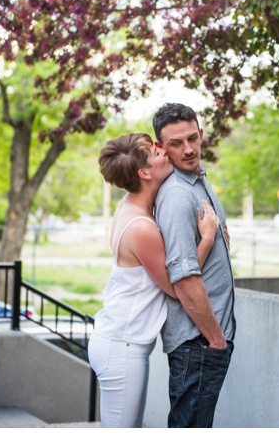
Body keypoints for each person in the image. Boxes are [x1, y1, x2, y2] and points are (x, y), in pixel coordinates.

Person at [88, 133, 219, 427]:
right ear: (144, 172)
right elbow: (177, 288)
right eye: (156, 152)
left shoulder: (131, 205)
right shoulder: (141, 227)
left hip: (118, 341)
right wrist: (207, 239)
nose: (163, 151)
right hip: (121, 347)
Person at [152, 103, 236, 428]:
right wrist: (216, 339)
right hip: (198, 343)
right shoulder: (176, 196)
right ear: (160, 147)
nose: (188, 149)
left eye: (192, 138)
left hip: (205, 341)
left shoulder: (197, 179)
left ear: (201, 135)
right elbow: (184, 280)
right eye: (176, 143)